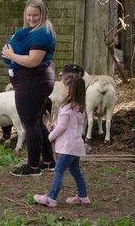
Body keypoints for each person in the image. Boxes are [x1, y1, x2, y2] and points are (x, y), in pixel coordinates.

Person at [1, 0, 56, 177]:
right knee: (36, 122)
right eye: (29, 15)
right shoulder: (36, 31)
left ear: (43, 14)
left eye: (36, 15)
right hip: (33, 83)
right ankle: (48, 161)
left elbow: (33, 61)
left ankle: (32, 167)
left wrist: (11, 55)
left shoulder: (42, 33)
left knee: (30, 124)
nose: (31, 19)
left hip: (33, 83)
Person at [34, 74, 90, 207]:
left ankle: (51, 198)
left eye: (63, 87)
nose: (61, 89)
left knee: (59, 171)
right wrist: (55, 126)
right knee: (76, 171)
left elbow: (63, 127)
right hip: (76, 145)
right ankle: (83, 196)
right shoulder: (79, 107)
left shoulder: (66, 107)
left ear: (70, 90)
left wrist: (50, 136)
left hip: (67, 147)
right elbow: (69, 125)